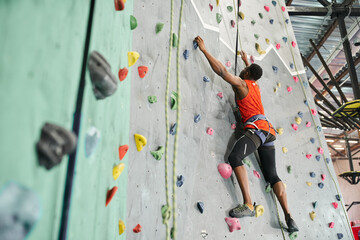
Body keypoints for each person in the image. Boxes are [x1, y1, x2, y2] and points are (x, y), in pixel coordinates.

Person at [194, 36, 299, 233]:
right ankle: (289, 216)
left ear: (247, 74)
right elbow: (252, 73)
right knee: (273, 175)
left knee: (235, 157)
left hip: (257, 129)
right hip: (268, 131)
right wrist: (245, 60)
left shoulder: (243, 84)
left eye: (244, 71)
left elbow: (223, 72)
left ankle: (249, 204)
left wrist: (204, 49)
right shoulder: (255, 86)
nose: (241, 73)